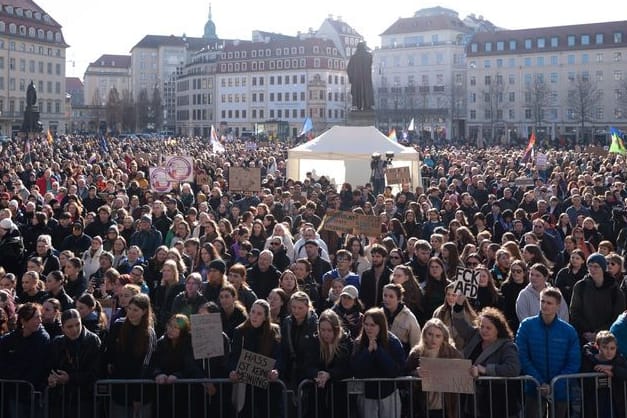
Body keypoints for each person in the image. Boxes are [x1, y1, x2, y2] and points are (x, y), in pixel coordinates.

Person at [516, 287, 581, 418]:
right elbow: (521, 355)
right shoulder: (527, 325)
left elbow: (574, 362)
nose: (544, 305)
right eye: (542, 301)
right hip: (534, 387)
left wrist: (555, 384)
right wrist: (540, 382)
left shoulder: (568, 331)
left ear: (558, 306)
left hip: (560, 390)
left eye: (549, 303)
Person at [452, 302, 521, 418]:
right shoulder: (475, 336)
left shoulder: (507, 346)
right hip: (472, 400)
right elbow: (460, 325)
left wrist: (485, 370)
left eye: (488, 328)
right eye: (482, 326)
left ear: (498, 330)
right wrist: (458, 305)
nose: (484, 330)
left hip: (498, 402)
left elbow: (513, 369)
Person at [105, 293, 157, 418]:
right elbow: (109, 350)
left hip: (140, 389)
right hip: (119, 389)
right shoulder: (118, 325)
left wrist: (138, 396)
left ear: (144, 311)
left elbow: (146, 365)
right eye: (129, 309)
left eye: (136, 310)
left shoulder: (149, 333)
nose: (131, 313)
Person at [228, 299, 281, 418]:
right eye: (253, 312)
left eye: (259, 313)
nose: (254, 316)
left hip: (267, 388)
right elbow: (233, 356)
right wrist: (232, 371)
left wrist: (276, 370)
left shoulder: (273, 332)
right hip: (245, 387)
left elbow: (278, 356)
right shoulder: (240, 331)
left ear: (265, 317)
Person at [350, 307, 406, 418]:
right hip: (367, 396)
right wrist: (368, 351)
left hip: (388, 395)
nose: (368, 328)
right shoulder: (359, 343)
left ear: (381, 325)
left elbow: (396, 370)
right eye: (366, 324)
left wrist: (379, 351)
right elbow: (356, 370)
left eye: (373, 325)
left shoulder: (393, 342)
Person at [47, 309, 101, 418]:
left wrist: (70, 378)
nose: (75, 329)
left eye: (77, 324)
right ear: (62, 328)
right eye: (69, 327)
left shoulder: (93, 341)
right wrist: (51, 379)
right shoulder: (57, 342)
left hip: (85, 399)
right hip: (61, 399)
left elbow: (96, 372)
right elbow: (50, 368)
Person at [0, 303, 50, 417]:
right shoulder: (15, 336)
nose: (39, 321)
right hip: (15, 393)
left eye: (40, 317)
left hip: (33, 393)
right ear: (23, 321)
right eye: (35, 318)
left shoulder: (42, 338)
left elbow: (36, 367)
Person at [405, 318, 462, 418]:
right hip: (421, 405)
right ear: (424, 335)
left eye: (438, 336)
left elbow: (464, 370)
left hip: (446, 405)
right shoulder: (416, 353)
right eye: (430, 334)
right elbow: (405, 374)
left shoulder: (451, 352)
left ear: (443, 337)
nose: (433, 339)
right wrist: (415, 373)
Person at [150, 314, 204, 418]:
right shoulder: (161, 343)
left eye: (176, 327)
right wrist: (158, 374)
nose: (171, 329)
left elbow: (191, 366)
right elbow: (153, 363)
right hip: (163, 393)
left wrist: (178, 376)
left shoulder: (189, 343)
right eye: (170, 325)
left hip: (185, 394)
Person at [570, 252, 626, 344]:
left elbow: (618, 314)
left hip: (607, 337)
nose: (592, 269)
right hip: (584, 336)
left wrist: (599, 333)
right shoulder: (580, 286)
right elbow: (574, 311)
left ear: (603, 268)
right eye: (590, 266)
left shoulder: (614, 289)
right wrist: (587, 332)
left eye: (596, 266)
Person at [312, 309, 354, 417]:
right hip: (319, 397)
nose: (325, 334)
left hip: (340, 397)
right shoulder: (314, 342)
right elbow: (307, 364)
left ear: (336, 329)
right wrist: (317, 374)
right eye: (323, 330)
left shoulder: (345, 343)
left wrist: (330, 374)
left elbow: (347, 367)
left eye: (329, 330)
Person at [580, 330, 627, 418]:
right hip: (593, 402)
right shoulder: (588, 359)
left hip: (614, 403)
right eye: (605, 347)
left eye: (612, 348)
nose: (609, 351)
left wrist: (613, 369)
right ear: (597, 346)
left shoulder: (619, 360)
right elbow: (583, 380)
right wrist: (599, 372)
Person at [382, 283, 421, 354]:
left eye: (391, 296)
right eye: (385, 295)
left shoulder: (409, 317)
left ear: (399, 299)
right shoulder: (379, 314)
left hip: (401, 356)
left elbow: (416, 343)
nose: (387, 299)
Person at [347, 41, 374, 111]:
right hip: (366, 78)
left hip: (356, 78)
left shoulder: (354, 57)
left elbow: (348, 68)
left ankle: (357, 106)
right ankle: (368, 105)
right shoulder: (369, 56)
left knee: (357, 92)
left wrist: (351, 78)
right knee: (367, 91)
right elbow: (370, 66)